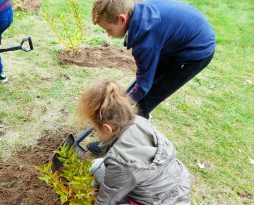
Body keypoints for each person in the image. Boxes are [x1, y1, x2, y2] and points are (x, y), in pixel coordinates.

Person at [60, 80, 192, 205]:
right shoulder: (137, 121)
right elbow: (119, 177)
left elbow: (106, 201)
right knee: (97, 166)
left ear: (108, 129)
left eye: (96, 129)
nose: (95, 134)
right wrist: (98, 189)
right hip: (164, 191)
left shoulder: (122, 160)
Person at [86, 0, 216, 155]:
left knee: (145, 103)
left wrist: (122, 104)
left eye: (108, 29)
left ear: (122, 19)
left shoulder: (146, 42)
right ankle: (119, 135)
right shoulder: (139, 13)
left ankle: (117, 145)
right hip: (174, 41)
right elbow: (144, 76)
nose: (108, 34)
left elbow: (143, 87)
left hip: (194, 52)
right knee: (144, 88)